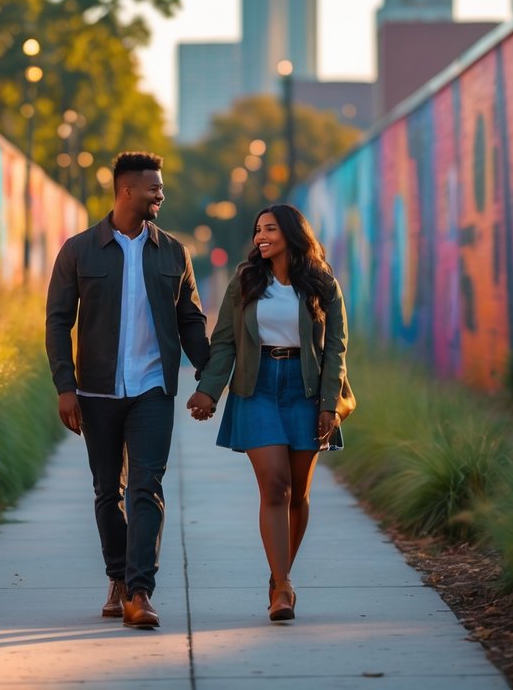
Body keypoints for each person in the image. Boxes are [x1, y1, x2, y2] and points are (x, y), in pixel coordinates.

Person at [45, 151, 210, 629]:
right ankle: (116, 577)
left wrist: (209, 373)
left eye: (160, 187)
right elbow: (58, 323)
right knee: (106, 491)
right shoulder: (79, 250)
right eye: (153, 188)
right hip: (96, 393)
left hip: (152, 390)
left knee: (146, 487)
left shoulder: (174, 252)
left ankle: (139, 591)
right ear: (126, 191)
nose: (161, 194)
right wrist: (65, 387)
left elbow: (190, 319)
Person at [187, 204, 354, 622]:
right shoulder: (245, 280)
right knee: (275, 486)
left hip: (306, 389)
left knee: (298, 493)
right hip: (257, 386)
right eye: (257, 229)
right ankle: (283, 587)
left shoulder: (322, 283)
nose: (261, 236)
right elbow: (224, 340)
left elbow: (336, 348)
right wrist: (208, 391)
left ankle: (280, 576)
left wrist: (329, 404)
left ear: (293, 234)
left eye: (270, 229)